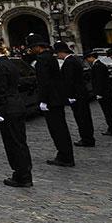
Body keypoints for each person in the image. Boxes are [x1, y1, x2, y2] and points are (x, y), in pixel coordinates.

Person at [0, 39, 31, 188]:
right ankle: (24, 172)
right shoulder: (10, 63)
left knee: (12, 143)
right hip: (17, 106)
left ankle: (21, 175)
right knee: (20, 142)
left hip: (8, 109)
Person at [29, 33, 74, 167]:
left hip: (51, 100)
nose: (30, 50)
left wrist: (43, 100)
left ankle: (65, 156)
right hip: (57, 99)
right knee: (61, 128)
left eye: (32, 47)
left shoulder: (41, 60)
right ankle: (65, 154)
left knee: (57, 129)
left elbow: (44, 82)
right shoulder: (51, 57)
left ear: (38, 47)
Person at [55, 41, 95, 148]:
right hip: (81, 93)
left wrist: (70, 95)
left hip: (77, 95)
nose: (57, 56)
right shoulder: (75, 60)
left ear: (61, 52)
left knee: (81, 117)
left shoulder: (69, 62)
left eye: (58, 53)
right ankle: (88, 137)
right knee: (85, 116)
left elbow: (69, 81)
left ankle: (87, 139)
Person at [85, 50, 112, 136]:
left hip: (104, 92)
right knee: (108, 111)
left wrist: (99, 93)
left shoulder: (97, 66)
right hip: (106, 92)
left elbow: (100, 81)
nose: (87, 60)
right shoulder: (99, 65)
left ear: (91, 57)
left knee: (108, 111)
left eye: (87, 58)